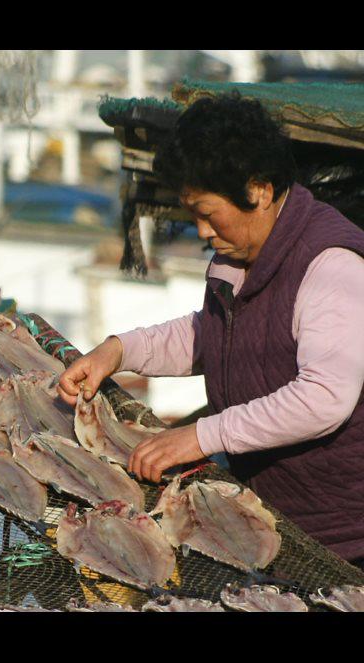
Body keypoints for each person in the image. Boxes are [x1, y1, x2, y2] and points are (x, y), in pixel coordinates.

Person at [57, 93, 364, 567]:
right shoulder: (239, 257)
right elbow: (214, 336)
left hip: (343, 540)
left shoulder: (331, 265)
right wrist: (118, 351)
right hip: (272, 519)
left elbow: (324, 398)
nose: (201, 231)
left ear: (259, 190)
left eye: (207, 212)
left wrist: (200, 436)